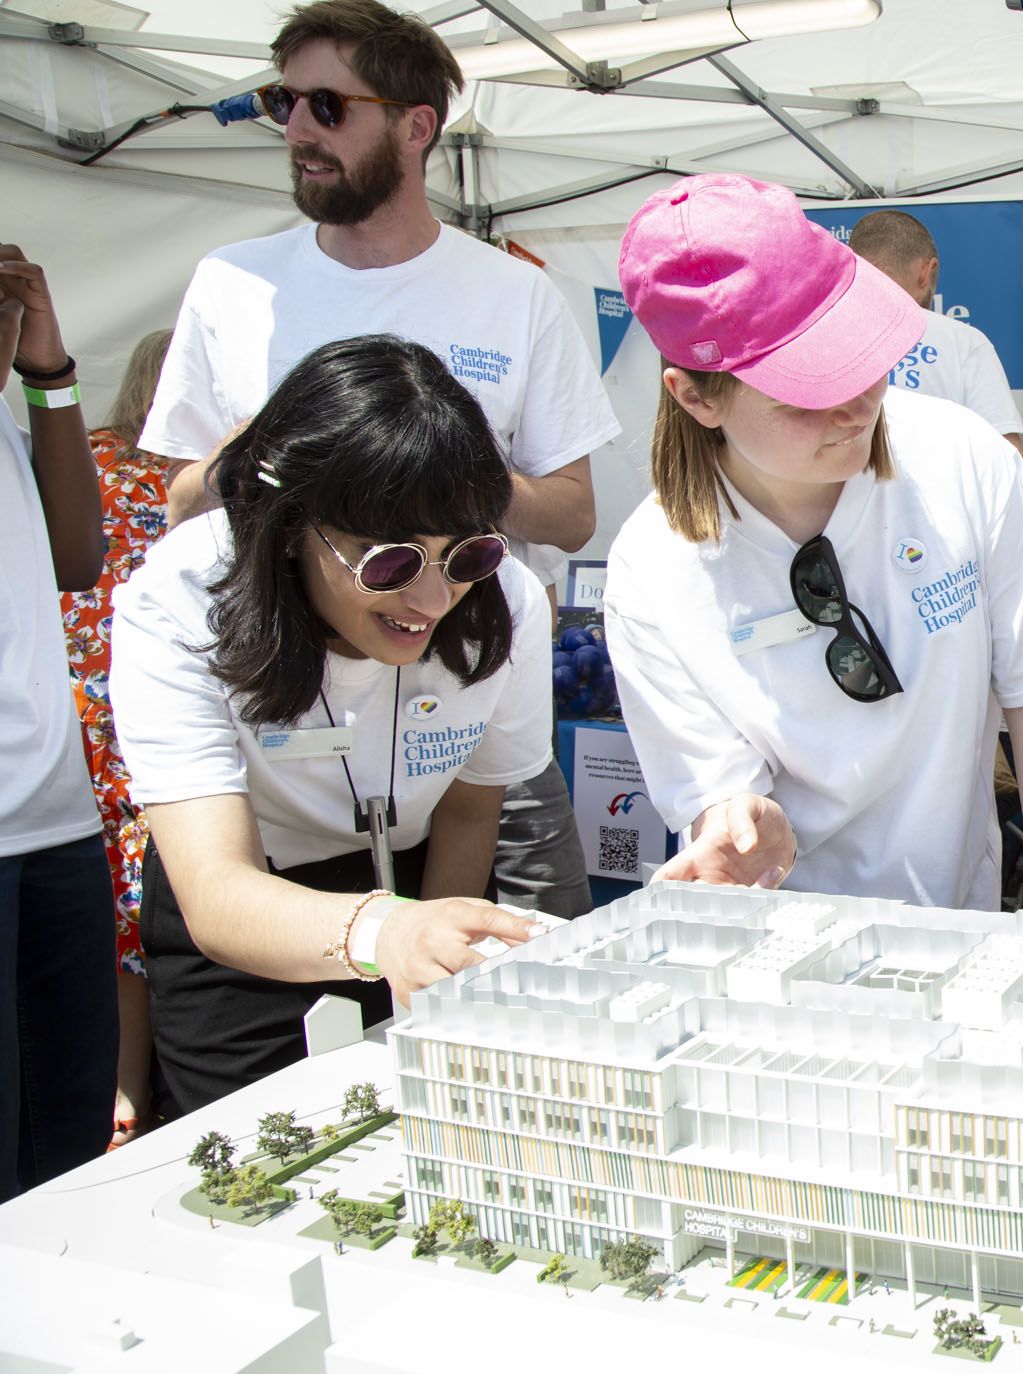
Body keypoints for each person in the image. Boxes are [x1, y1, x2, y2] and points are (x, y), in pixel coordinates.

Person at [140, 0, 620, 921]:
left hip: (465, 710)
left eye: (327, 105)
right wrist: (274, 454)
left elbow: (570, 515)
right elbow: (179, 508)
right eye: (283, 103)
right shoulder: (233, 283)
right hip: (283, 727)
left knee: (513, 983)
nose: (296, 130)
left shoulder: (513, 294)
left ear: (416, 125)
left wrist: (441, 479)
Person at [604, 174, 1023, 912]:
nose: (854, 406)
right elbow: (719, 803)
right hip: (791, 954)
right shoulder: (654, 569)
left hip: (965, 922)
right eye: (804, 391)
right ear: (696, 397)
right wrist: (739, 820)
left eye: (860, 357)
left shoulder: (961, 455)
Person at [112, 335, 550, 1118]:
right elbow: (216, 893)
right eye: (390, 563)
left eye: (465, 555)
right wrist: (386, 933)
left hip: (417, 886)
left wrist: (430, 975)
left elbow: (470, 808)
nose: (431, 601)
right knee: (266, 1149)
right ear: (288, 523)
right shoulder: (182, 599)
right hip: (252, 904)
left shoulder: (504, 602)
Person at [0, 243, 116, 1202]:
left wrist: (46, 375)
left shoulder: (13, 404)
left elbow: (78, 555)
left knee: (69, 1133)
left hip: (56, 817)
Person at [59, 328, 174, 1147]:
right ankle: (128, 1087)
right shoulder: (186, 483)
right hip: (129, 723)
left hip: (80, 723)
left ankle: (118, 1092)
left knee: (111, 906)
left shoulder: (79, 463)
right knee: (131, 904)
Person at [848, 210, 1023, 458]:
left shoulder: (815, 339)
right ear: (927, 270)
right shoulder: (963, 341)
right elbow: (1007, 454)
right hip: (938, 494)